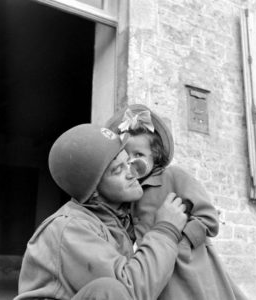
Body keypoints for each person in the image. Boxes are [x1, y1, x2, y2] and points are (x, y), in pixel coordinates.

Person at [15, 124, 188, 300]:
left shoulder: (114, 219)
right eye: (118, 170)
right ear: (93, 190)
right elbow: (131, 290)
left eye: (128, 162)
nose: (131, 173)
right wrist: (166, 230)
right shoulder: (71, 227)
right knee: (108, 290)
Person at [106, 104, 248, 300]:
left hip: (191, 264)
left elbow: (208, 218)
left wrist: (183, 243)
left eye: (139, 155)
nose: (132, 162)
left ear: (155, 156)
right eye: (126, 156)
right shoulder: (129, 194)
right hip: (159, 268)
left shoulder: (173, 177)